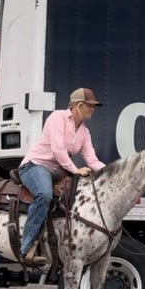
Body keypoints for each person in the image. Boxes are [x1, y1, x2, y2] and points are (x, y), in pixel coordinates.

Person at [17, 87, 106, 264]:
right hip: (36, 165)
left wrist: (112, 172)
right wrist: (75, 170)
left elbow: (92, 159)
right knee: (44, 195)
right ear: (78, 105)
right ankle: (26, 246)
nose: (93, 109)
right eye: (90, 106)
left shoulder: (84, 132)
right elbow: (58, 149)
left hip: (58, 171)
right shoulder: (57, 118)